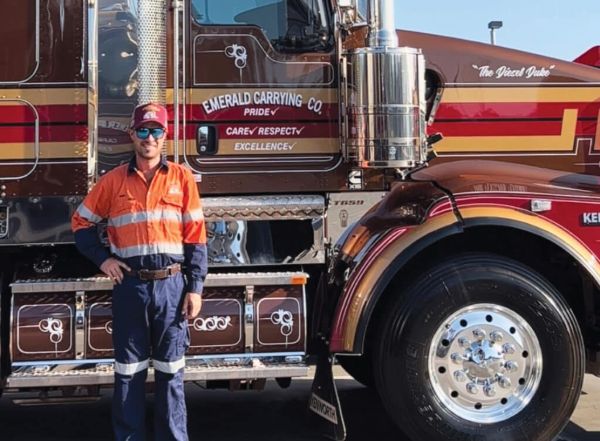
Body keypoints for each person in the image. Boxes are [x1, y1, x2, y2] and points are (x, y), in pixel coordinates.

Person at [71, 102, 207, 441]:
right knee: (128, 374)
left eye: (156, 131)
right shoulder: (112, 181)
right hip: (131, 287)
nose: (149, 137)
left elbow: (196, 237)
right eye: (143, 130)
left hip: (171, 288)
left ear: (165, 136)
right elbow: (81, 222)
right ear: (132, 134)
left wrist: (195, 288)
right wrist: (104, 260)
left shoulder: (181, 178)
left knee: (171, 373)